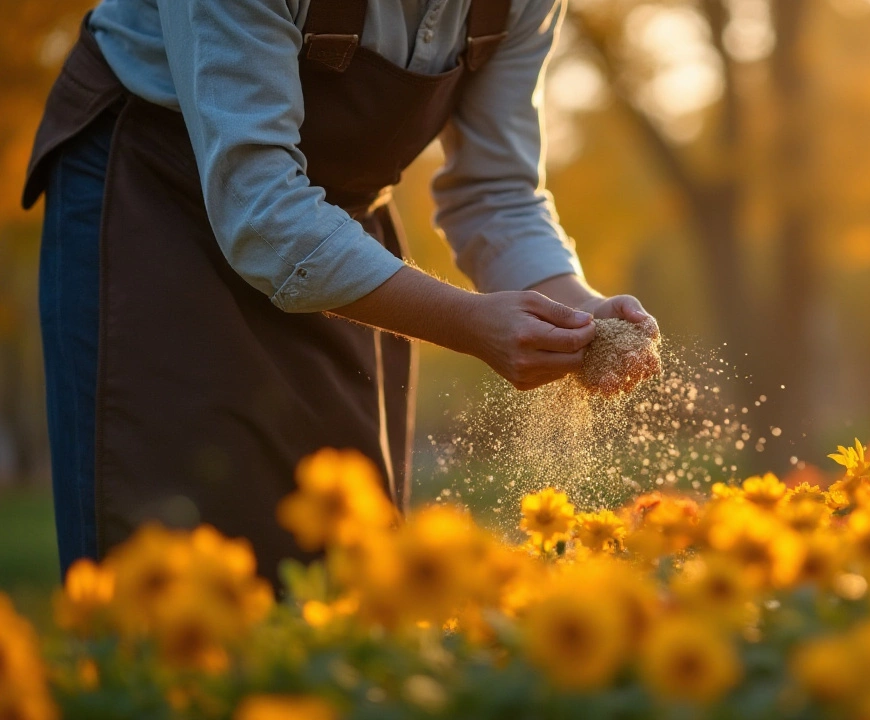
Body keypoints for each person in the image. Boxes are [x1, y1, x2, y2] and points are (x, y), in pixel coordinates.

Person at [22, 0, 655, 582]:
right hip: (156, 204)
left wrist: (580, 309)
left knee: (348, 560)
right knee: (174, 553)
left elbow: (497, 193)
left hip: (339, 236)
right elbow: (262, 208)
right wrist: (466, 323)